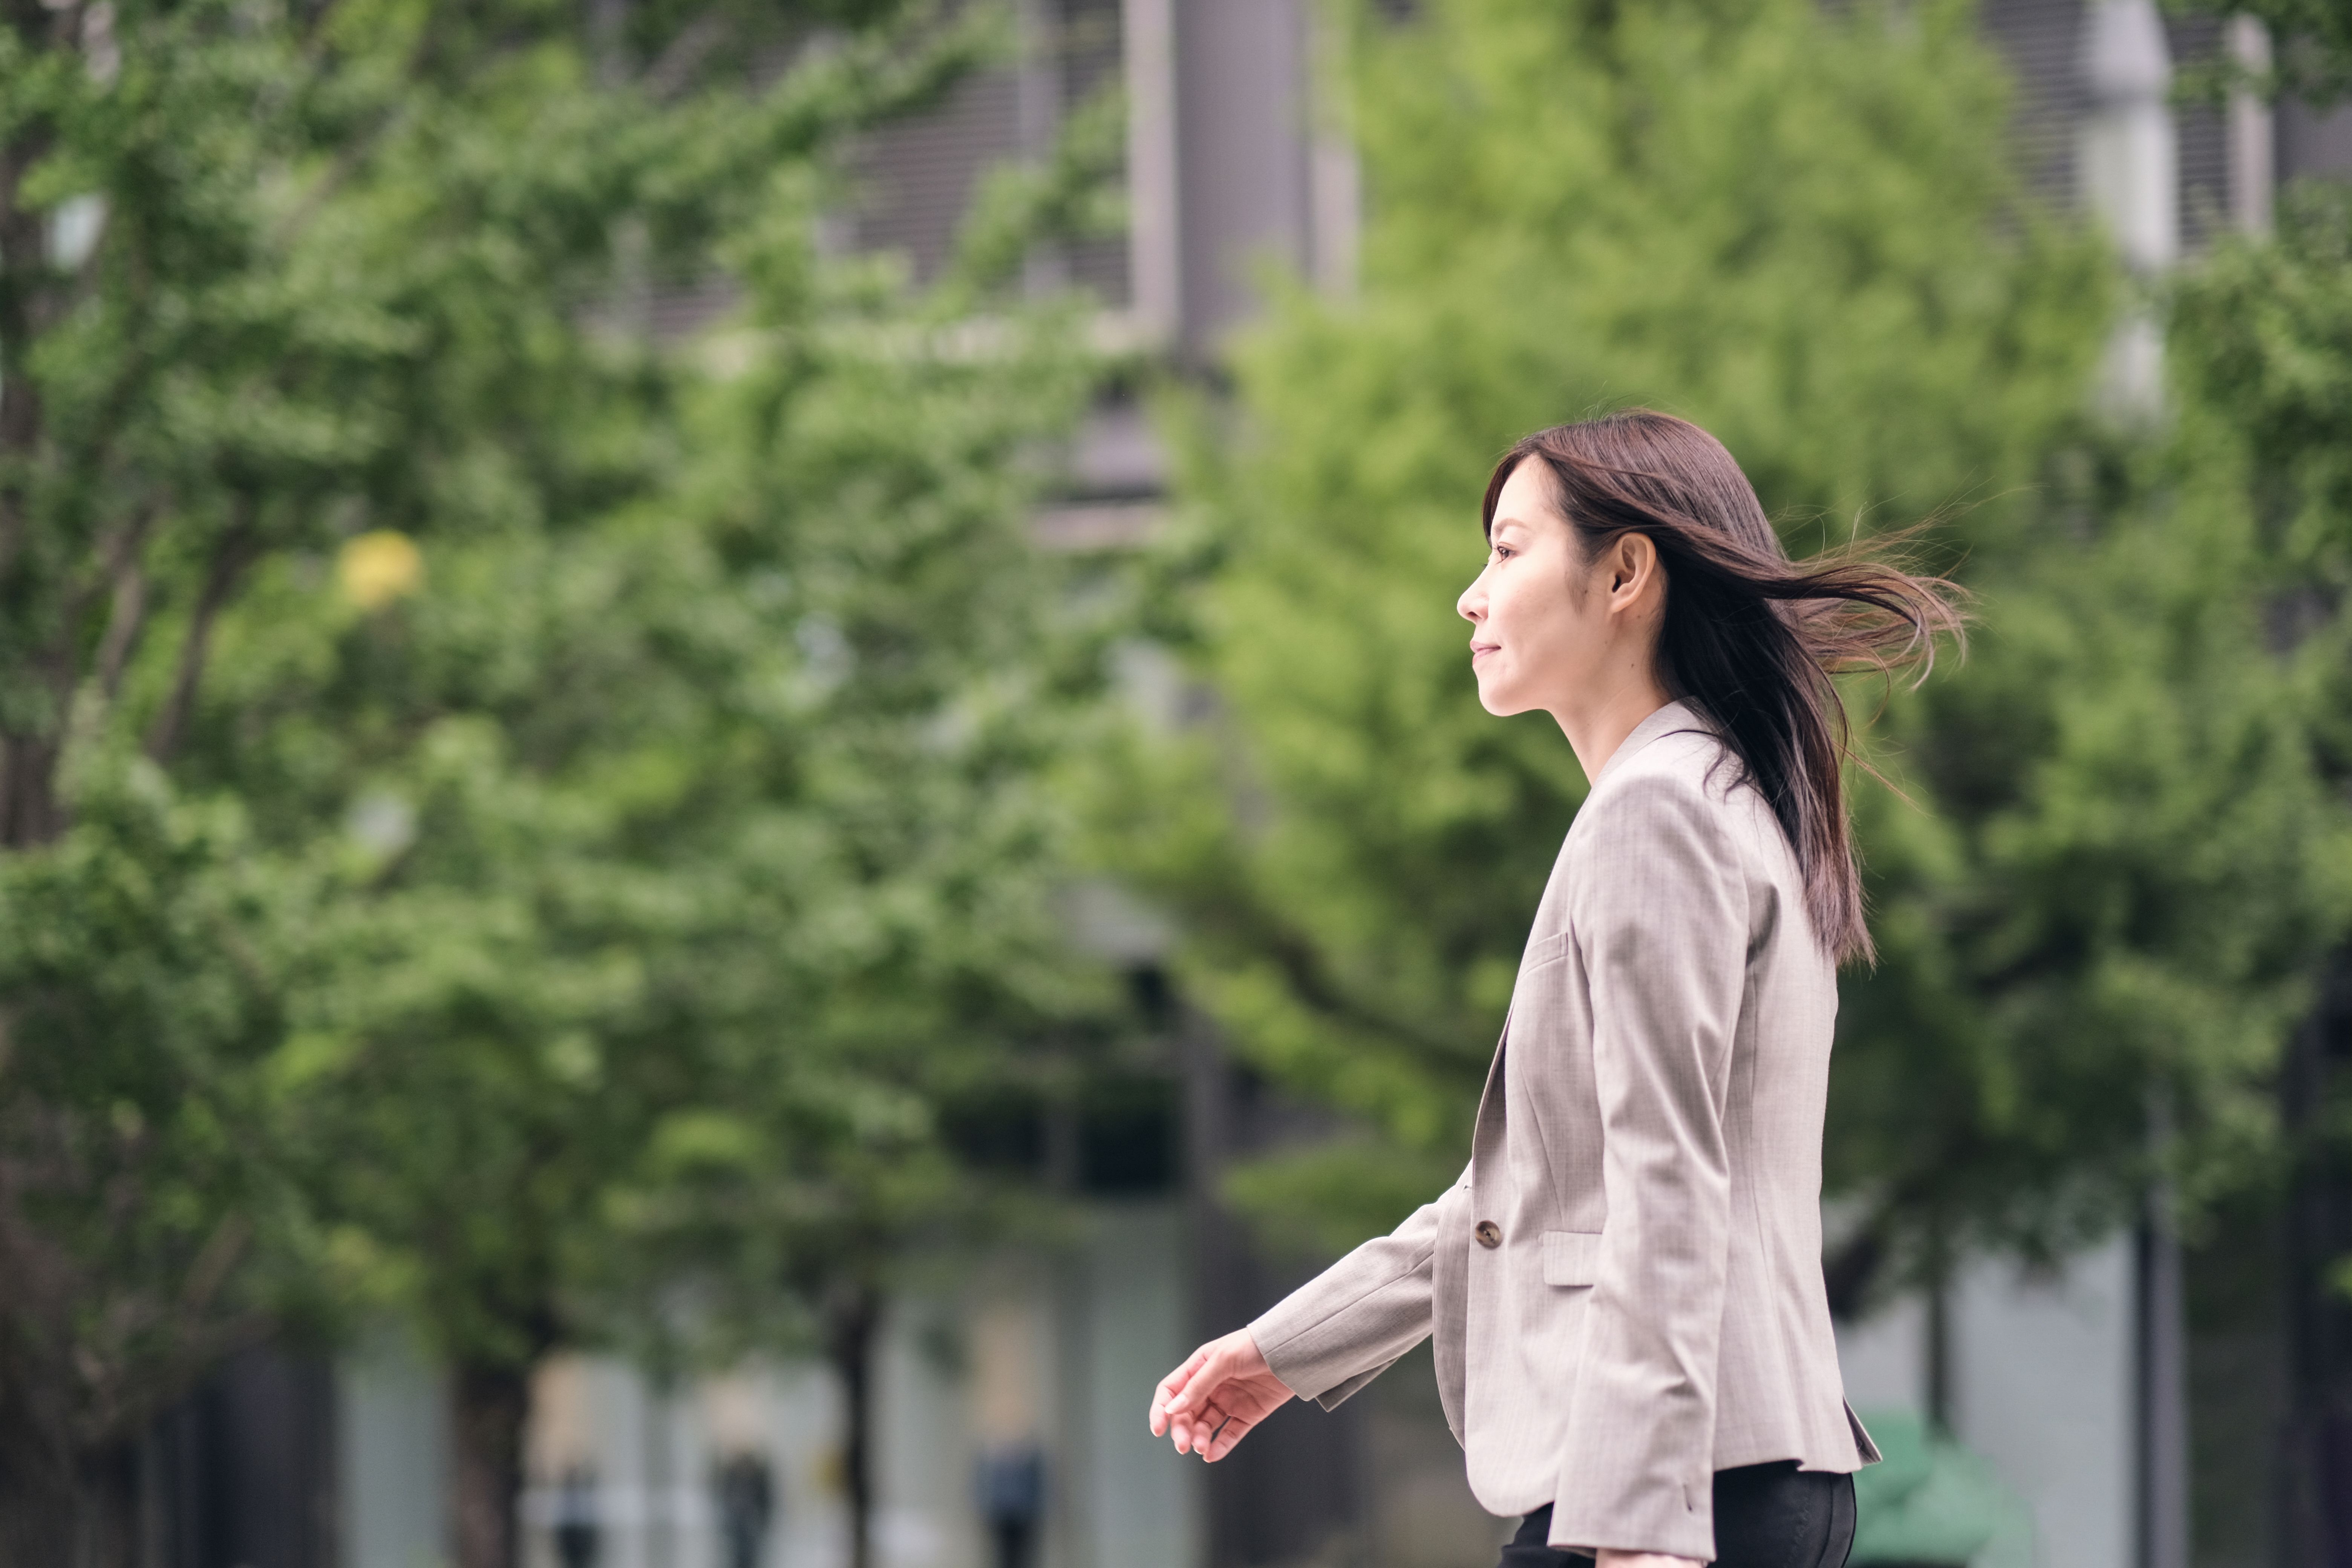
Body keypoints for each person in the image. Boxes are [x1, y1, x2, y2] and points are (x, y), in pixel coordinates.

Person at [1148, 411, 1965, 1568]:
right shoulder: (1713, 798)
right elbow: (1529, 1191)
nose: (1471, 597)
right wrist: (1290, 1352)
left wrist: (1641, 1530)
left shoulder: (1658, 813)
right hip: (1728, 1479)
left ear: (1626, 572)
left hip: (1665, 1495)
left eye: (1509, 549)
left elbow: (1666, 1183)